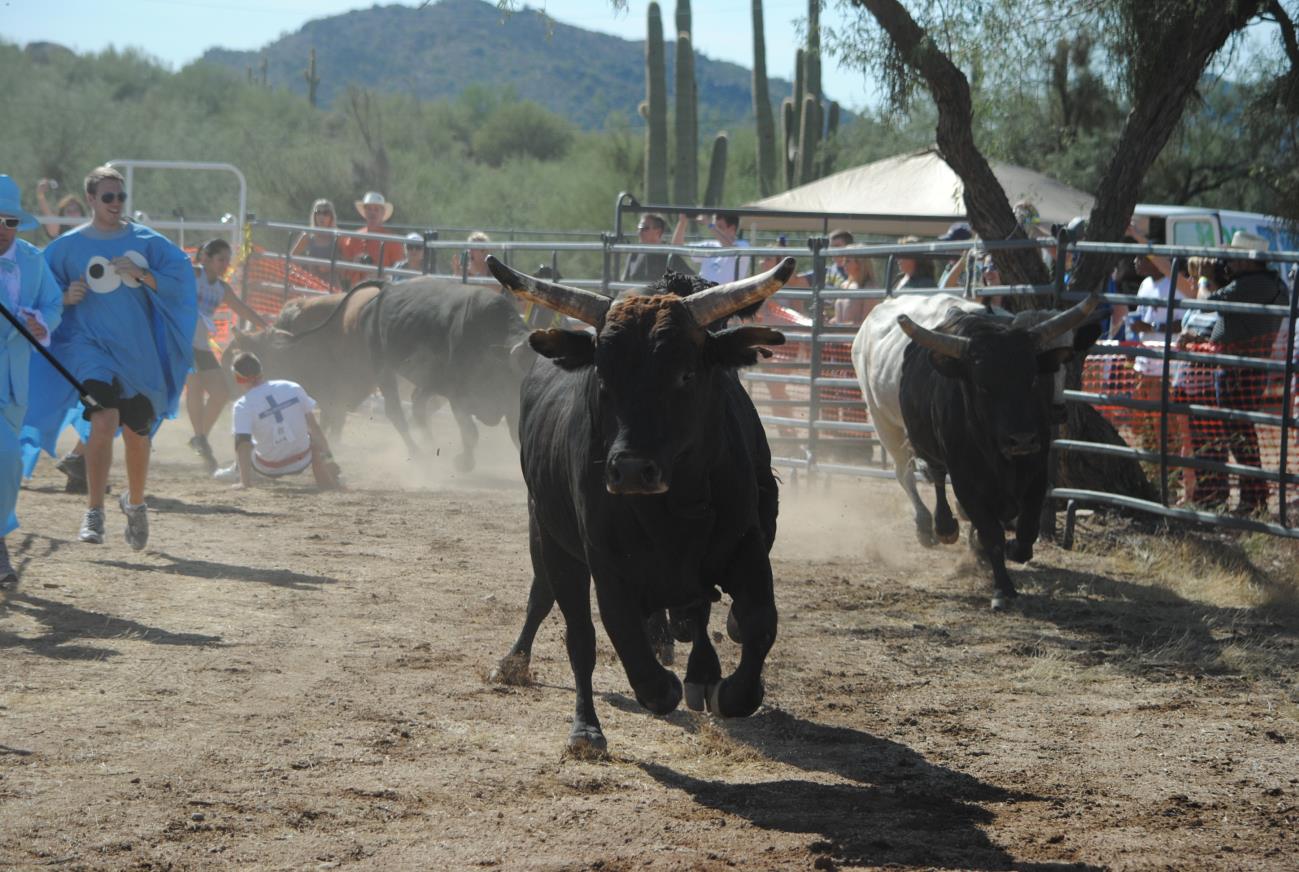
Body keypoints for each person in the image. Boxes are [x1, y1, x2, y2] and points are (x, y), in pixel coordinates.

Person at [24, 165, 197, 549]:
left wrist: (146, 275)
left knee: (137, 434)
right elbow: (41, 295)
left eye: (120, 197)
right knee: (102, 419)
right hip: (89, 349)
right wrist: (65, 299)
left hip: (138, 353)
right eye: (107, 197)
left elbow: (181, 282)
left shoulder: (148, 242)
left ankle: (135, 504)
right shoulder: (66, 247)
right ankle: (94, 511)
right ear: (90, 199)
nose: (115, 204)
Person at [0, 176, 63, 586]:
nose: (2, 228)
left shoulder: (33, 260)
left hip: (12, 383)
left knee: (7, 461)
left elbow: (53, 303)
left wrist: (41, 323)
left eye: (10, 220)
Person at [1204, 231, 1287, 515]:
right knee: (1241, 432)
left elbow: (1207, 301)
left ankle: (1254, 498)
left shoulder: (1250, 285)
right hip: (1245, 366)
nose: (1230, 263)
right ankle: (1255, 496)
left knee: (1239, 433)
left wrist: (1208, 279)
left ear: (1248, 261)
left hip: (1237, 369)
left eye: (1236, 259)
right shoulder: (1268, 283)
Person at [186, 238, 269, 474]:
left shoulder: (221, 288)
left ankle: (200, 437)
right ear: (206, 259)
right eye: (221, 259)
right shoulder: (192, 274)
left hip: (201, 345)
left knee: (221, 392)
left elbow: (242, 308)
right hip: (181, 343)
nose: (225, 264)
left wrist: (266, 327)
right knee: (195, 385)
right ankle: (200, 438)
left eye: (227, 260)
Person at [214, 351, 341, 490]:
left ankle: (238, 471)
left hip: (268, 466)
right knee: (312, 438)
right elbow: (314, 427)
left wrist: (245, 483)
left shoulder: (242, 405)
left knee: (244, 439)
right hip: (302, 459)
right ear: (261, 371)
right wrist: (330, 459)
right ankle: (328, 475)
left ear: (238, 379)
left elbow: (242, 443)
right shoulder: (292, 387)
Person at [671, 211, 752, 284]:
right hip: (703, 293)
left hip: (728, 297)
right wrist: (682, 222)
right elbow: (677, 247)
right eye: (714, 226)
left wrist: (709, 224)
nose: (714, 231)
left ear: (732, 228)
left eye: (719, 227)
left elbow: (730, 248)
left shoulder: (743, 245)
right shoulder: (709, 245)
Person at [338, 191, 402, 283]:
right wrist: (353, 264)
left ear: (383, 213)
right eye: (369, 209)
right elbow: (344, 274)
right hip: (356, 290)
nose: (372, 213)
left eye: (376, 209)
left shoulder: (393, 241)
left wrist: (381, 275)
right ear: (364, 212)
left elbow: (399, 274)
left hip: (381, 291)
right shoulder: (353, 238)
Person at [621, 213, 693, 282]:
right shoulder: (635, 253)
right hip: (636, 293)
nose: (639, 232)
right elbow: (624, 280)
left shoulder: (668, 255)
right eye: (639, 228)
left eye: (644, 228)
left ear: (658, 231)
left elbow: (689, 278)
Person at [290, 198, 340, 278]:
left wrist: (331, 266)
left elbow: (347, 264)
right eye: (318, 212)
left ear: (331, 216)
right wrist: (301, 273)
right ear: (314, 215)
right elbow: (291, 258)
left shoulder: (337, 236)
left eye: (325, 213)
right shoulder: (307, 236)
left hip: (332, 284)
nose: (321, 216)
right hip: (311, 283)